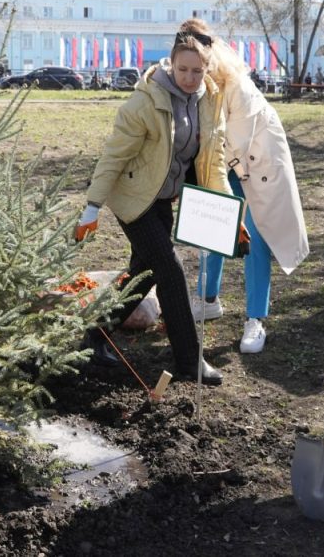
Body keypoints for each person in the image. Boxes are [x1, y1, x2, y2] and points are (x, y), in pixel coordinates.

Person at [74, 31, 233, 385]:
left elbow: (214, 159)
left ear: (206, 69)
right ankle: (189, 361)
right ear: (171, 64)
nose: (189, 78)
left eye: (196, 71)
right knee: (170, 270)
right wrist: (91, 207)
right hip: (132, 198)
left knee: (143, 273)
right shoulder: (145, 101)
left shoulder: (209, 101)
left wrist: (228, 211)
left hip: (162, 198)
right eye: (182, 69)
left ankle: (95, 336)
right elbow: (113, 155)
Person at [179, 19, 309, 354]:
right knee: (212, 224)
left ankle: (255, 319)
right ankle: (208, 299)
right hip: (223, 161)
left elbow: (230, 139)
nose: (192, 74)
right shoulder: (190, 81)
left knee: (253, 235)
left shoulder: (236, 84)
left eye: (199, 65)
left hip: (259, 163)